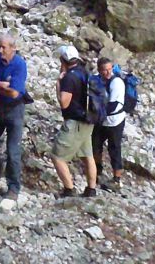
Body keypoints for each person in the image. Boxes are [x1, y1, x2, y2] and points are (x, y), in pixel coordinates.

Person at [0, 34, 28, 200]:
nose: (0, 50)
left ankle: (13, 187)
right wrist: (2, 85)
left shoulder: (19, 64)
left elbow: (15, 91)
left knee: (13, 150)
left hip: (15, 109)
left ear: (13, 48)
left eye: (4, 47)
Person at [51, 45, 97, 197]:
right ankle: (91, 189)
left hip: (75, 122)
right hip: (88, 120)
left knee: (57, 156)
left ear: (63, 60)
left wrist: (58, 85)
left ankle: (68, 189)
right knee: (86, 155)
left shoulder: (69, 77)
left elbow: (64, 102)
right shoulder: (85, 72)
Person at [92, 57, 126, 192]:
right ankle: (97, 171)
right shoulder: (96, 79)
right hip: (101, 120)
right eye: (104, 70)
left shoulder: (117, 83)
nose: (107, 72)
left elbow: (114, 105)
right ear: (99, 70)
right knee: (95, 145)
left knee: (114, 148)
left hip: (115, 121)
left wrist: (95, 111)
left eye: (109, 69)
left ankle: (117, 179)